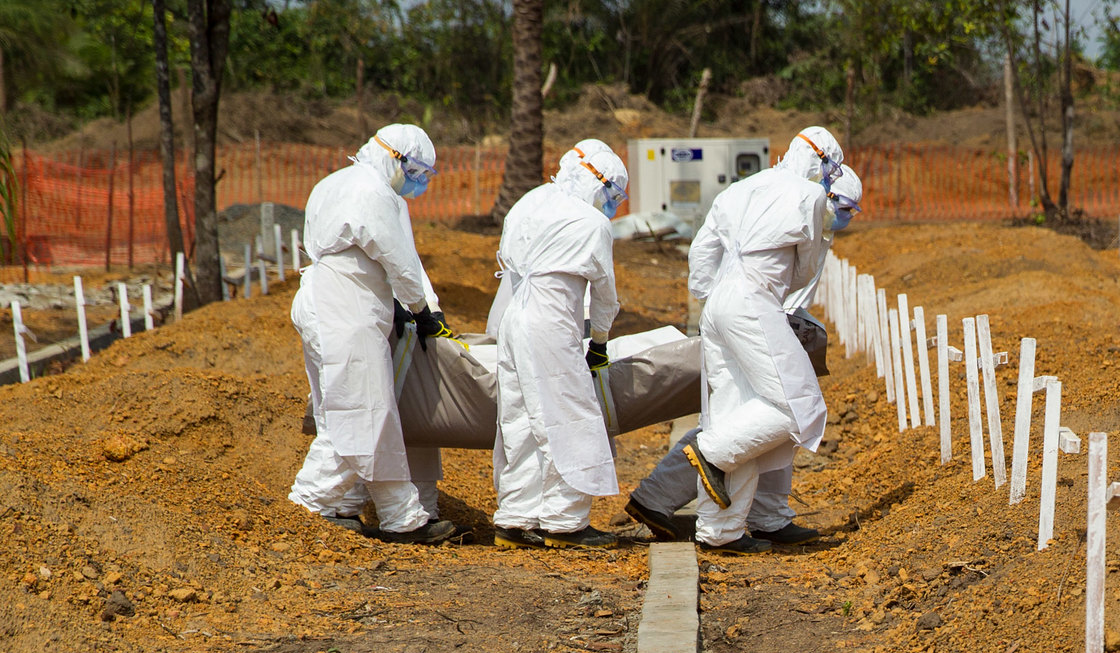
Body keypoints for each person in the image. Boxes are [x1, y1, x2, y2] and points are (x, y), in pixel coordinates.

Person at [626, 165, 862, 546]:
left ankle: (739, 521)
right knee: (780, 411)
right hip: (755, 313)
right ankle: (693, 481)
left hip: (738, 309)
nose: (847, 216)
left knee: (743, 416)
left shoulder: (757, 195)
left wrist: (713, 302)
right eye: (846, 207)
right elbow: (790, 280)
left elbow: (705, 251)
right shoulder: (799, 202)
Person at [287, 124, 460, 545]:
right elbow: (400, 260)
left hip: (322, 300)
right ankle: (305, 506)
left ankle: (402, 517)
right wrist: (422, 310)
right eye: (415, 172)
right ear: (393, 158)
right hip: (346, 308)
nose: (417, 182)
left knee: (360, 413)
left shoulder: (333, 183)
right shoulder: (375, 191)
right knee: (359, 415)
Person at [486, 139, 630, 550]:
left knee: (520, 420)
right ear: (598, 183)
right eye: (613, 195)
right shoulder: (592, 223)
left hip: (515, 316)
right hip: (551, 322)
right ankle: (566, 522)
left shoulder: (531, 202)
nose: (612, 205)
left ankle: (515, 518)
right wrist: (599, 341)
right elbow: (604, 294)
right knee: (571, 417)